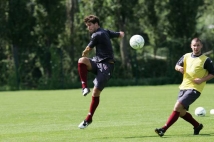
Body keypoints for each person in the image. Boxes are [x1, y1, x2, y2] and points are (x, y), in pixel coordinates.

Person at [155, 38, 214, 137]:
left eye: (198, 45)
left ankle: (163, 129)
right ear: (191, 46)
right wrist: (179, 68)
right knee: (181, 112)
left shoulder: (206, 60)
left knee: (177, 107)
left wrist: (202, 80)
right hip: (183, 87)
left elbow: (213, 73)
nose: (196, 47)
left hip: (195, 89)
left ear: (201, 46)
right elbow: (177, 65)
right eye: (194, 45)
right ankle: (197, 125)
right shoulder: (186, 56)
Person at [77, 15, 125, 129]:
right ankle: (84, 87)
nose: (88, 28)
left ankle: (89, 118)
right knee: (82, 61)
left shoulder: (97, 34)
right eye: (87, 26)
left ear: (96, 24)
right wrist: (121, 34)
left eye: (90, 25)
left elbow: (88, 49)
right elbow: (118, 34)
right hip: (97, 62)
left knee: (95, 93)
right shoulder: (105, 31)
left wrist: (85, 52)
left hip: (107, 66)